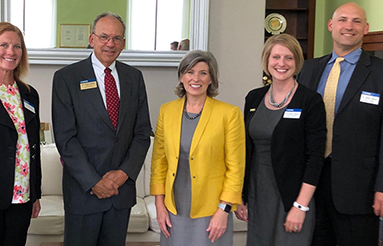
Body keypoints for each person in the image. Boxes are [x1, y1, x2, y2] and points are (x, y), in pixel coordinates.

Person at [52, 12, 152, 246]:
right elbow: (65, 139)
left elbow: (141, 134)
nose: (110, 43)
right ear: (92, 39)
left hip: (120, 193)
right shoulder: (66, 78)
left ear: (123, 43)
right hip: (83, 192)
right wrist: (94, 182)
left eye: (117, 38)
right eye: (104, 37)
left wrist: (123, 174)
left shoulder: (134, 78)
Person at [297, 2, 383, 245]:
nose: (349, 26)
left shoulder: (379, 73)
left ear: (366, 28)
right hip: (310, 184)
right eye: (343, 20)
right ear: (331, 25)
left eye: (356, 21)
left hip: (360, 190)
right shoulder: (310, 69)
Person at [235, 33, 326, 246]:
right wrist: (241, 195)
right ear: (267, 61)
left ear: (297, 62)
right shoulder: (254, 98)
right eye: (275, 57)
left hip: (292, 198)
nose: (281, 64)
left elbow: (315, 158)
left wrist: (300, 206)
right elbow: (245, 150)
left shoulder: (310, 101)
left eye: (288, 58)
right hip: (258, 196)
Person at [150, 50, 245, 246]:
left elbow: (236, 168)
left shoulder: (229, 114)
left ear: (211, 79)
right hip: (173, 209)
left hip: (212, 211)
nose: (196, 78)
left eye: (203, 73)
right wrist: (159, 205)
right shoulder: (166, 111)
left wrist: (223, 210)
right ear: (181, 76)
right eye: (190, 72)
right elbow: (159, 162)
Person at [0, 22, 41, 245]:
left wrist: (35, 193)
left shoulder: (29, 94)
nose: (11, 52)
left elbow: (32, 145)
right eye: (3, 45)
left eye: (17, 47)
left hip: (22, 199)